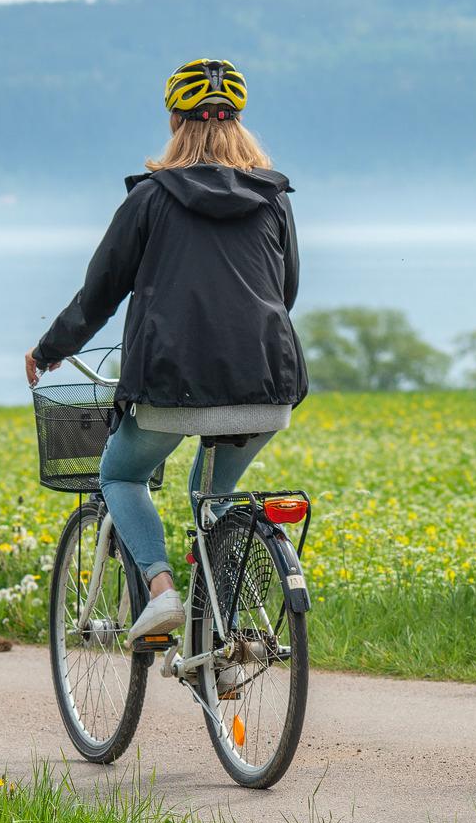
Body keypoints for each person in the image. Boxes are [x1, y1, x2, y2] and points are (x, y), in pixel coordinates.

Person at [26, 58, 306, 641]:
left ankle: (161, 592)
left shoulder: (151, 199)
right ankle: (228, 633)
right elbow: (285, 293)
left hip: (172, 386)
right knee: (216, 497)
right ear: (238, 123)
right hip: (267, 385)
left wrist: (49, 350)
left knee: (120, 475)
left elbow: (100, 295)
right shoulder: (274, 198)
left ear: (176, 123)